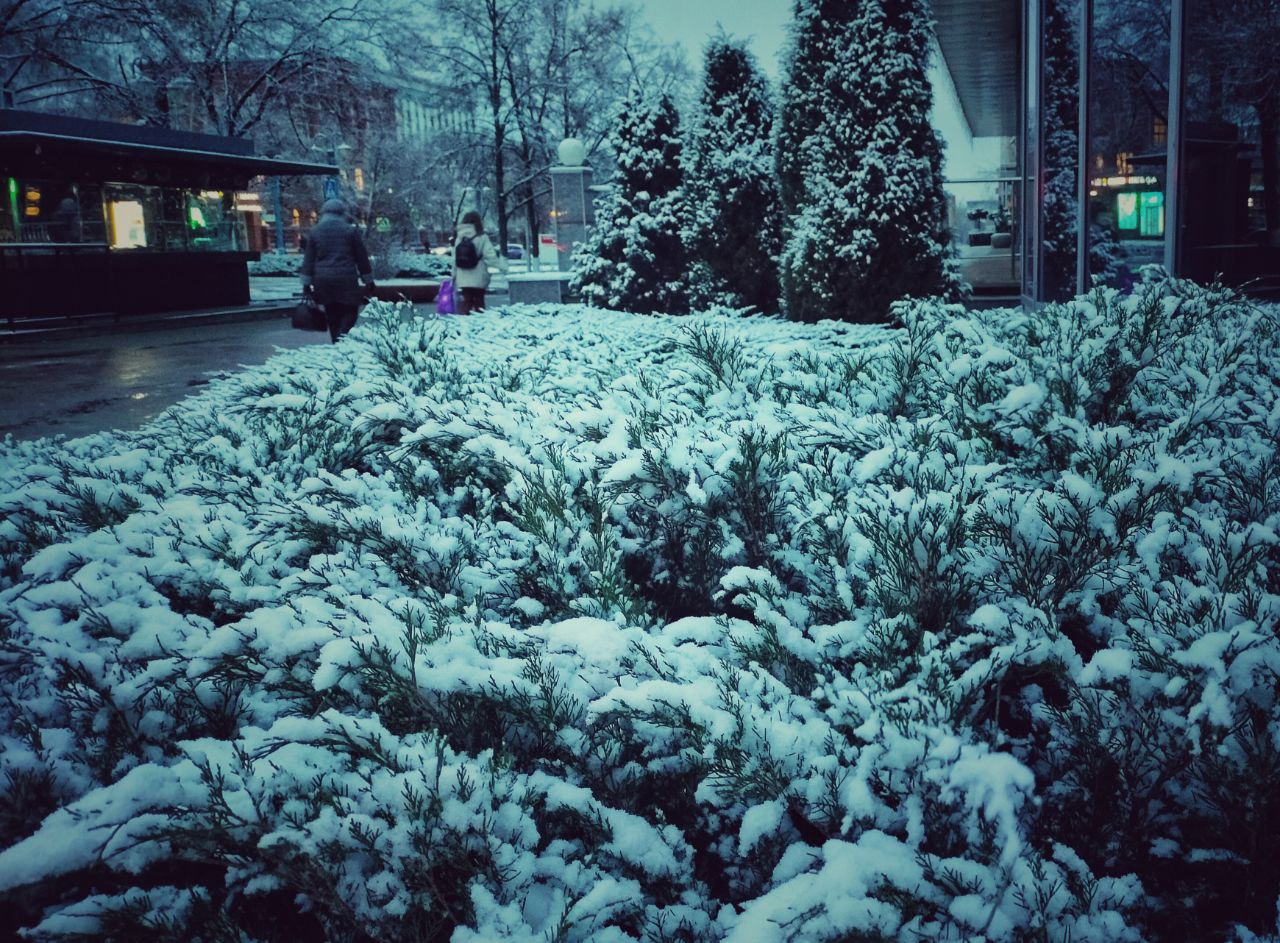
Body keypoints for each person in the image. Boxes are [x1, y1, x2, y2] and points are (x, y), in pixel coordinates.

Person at [300, 199, 375, 343]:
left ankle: (336, 340)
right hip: (346, 279)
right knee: (350, 310)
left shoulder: (315, 232)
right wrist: (368, 280)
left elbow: (308, 260)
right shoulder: (350, 231)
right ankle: (343, 337)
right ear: (342, 213)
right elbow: (362, 258)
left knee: (331, 311)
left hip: (323, 280)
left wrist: (306, 284)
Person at [452, 210, 506, 314]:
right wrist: (503, 267)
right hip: (479, 275)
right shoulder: (482, 237)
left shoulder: (459, 238)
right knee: (479, 302)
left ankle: (463, 325)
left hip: (462, 276)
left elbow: (454, 259)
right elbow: (490, 256)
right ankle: (480, 325)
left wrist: (454, 275)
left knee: (466, 301)